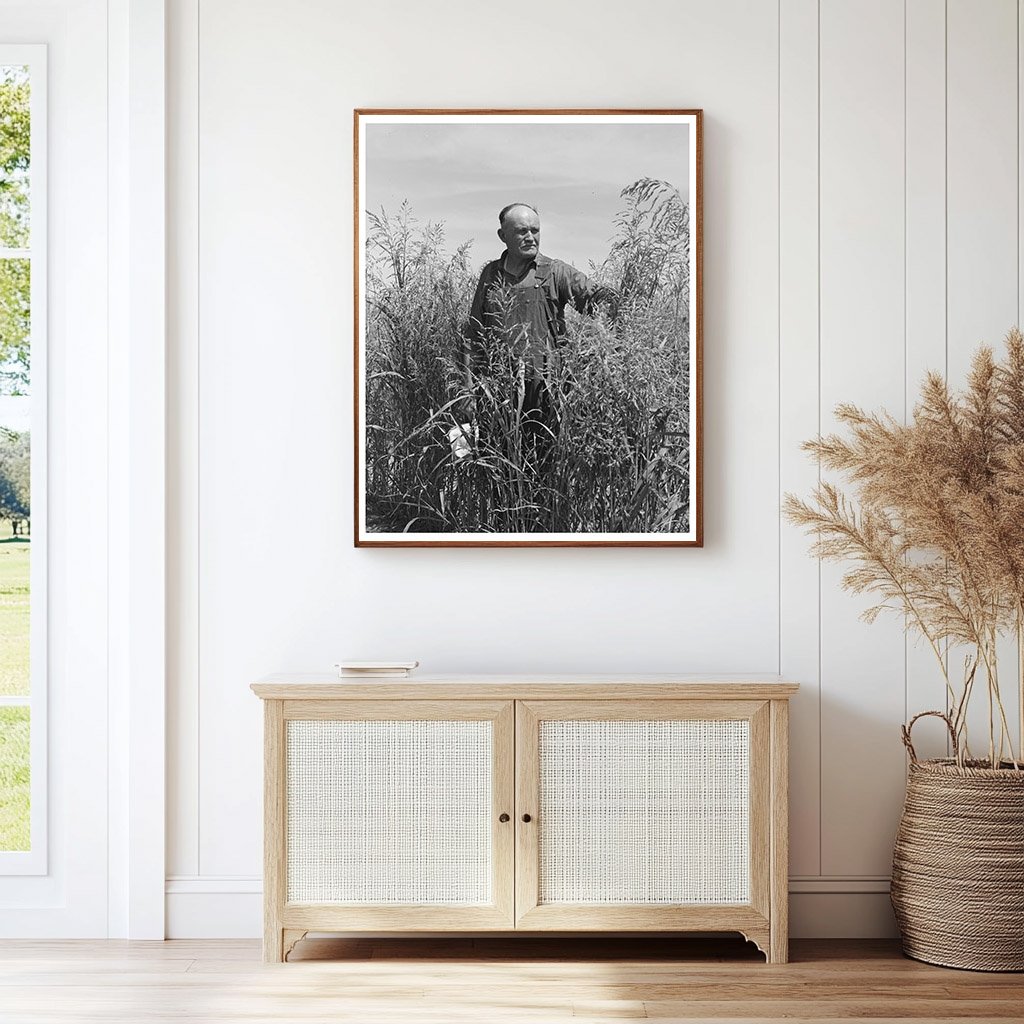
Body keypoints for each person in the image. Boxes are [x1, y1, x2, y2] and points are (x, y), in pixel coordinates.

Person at [463, 203, 618, 459]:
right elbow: (473, 333)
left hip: (546, 393)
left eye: (535, 230)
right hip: (498, 394)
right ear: (503, 236)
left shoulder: (555, 271)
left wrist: (606, 326)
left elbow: (600, 301)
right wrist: (469, 389)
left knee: (544, 464)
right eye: (521, 231)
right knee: (499, 464)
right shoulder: (491, 275)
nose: (530, 237)